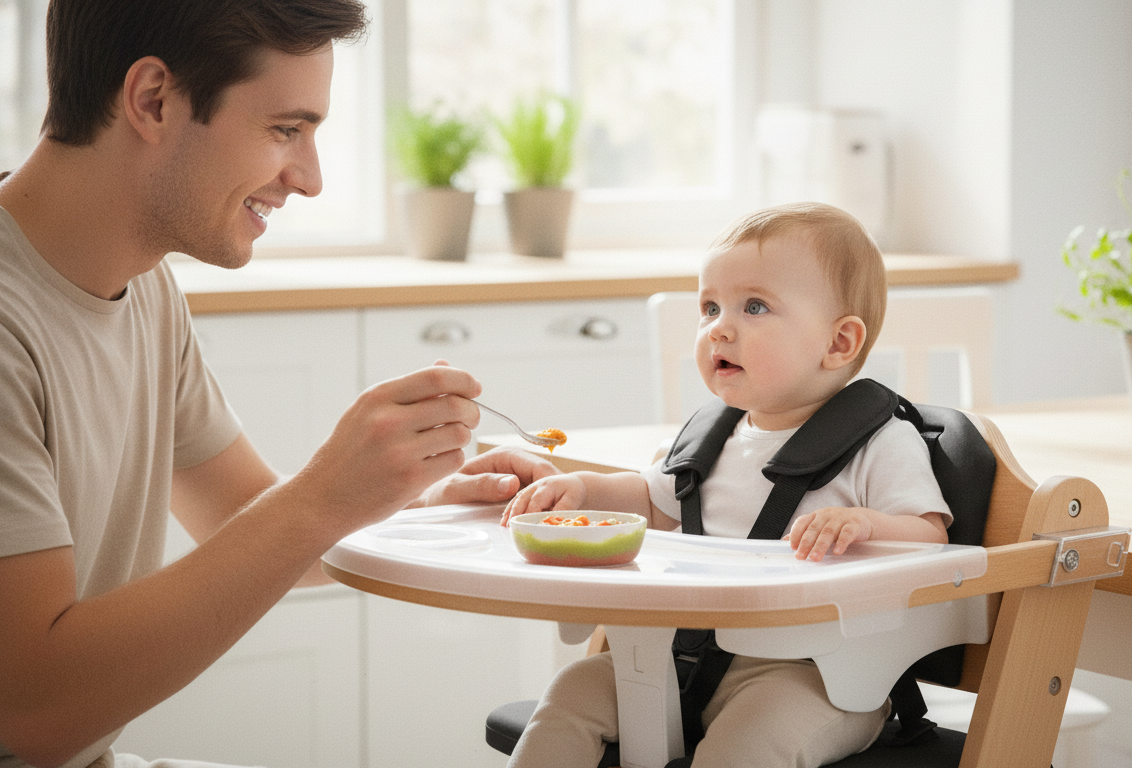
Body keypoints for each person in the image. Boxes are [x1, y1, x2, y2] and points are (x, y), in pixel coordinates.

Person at [0, 2, 557, 767]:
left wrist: (415, 501)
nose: (311, 178)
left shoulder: (144, 289)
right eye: (284, 129)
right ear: (154, 100)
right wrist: (325, 493)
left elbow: (259, 531)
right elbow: (34, 710)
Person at [500, 202, 953, 768]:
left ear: (839, 343)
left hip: (818, 677)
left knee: (746, 749)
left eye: (754, 306)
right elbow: (651, 499)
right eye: (709, 306)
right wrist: (582, 490)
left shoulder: (880, 442)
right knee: (570, 694)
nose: (720, 326)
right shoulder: (707, 442)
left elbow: (930, 538)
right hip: (680, 660)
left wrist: (866, 525)